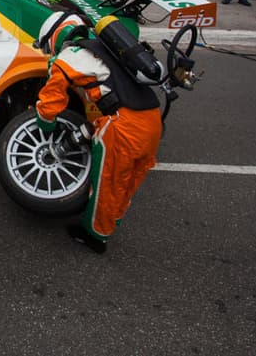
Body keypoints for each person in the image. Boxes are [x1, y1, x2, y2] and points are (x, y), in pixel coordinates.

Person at [34, 14, 163, 253]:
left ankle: (95, 236)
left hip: (123, 125)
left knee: (109, 183)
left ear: (54, 37)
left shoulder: (66, 58)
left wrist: (45, 126)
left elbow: (50, 104)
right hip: (152, 121)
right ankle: (110, 222)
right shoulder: (104, 49)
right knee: (127, 183)